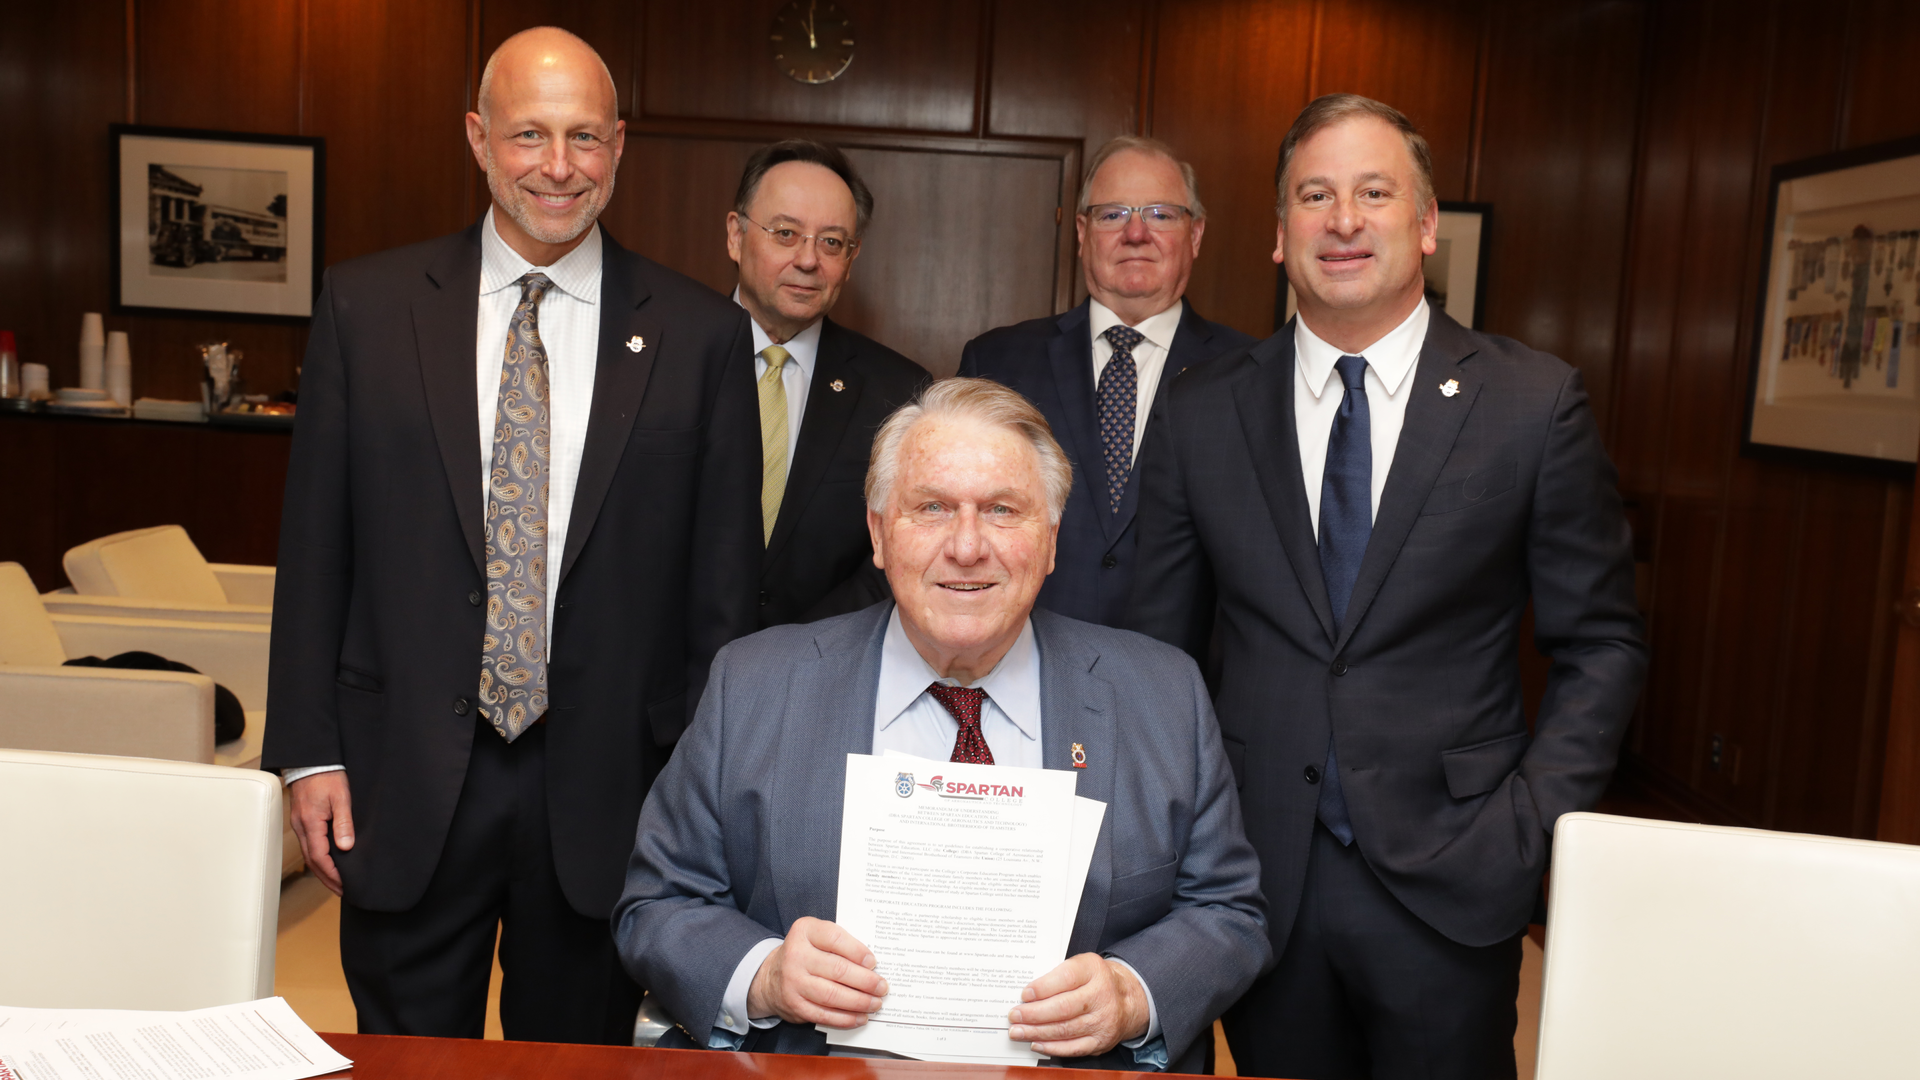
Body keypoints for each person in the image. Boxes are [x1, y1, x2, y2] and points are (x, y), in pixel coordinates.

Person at [1127, 94, 1647, 1079]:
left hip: (1459, 877)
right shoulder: (1202, 414)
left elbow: (1603, 645)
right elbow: (1163, 656)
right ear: (1280, 236)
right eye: (1314, 195)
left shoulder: (1532, 405)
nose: (1344, 219)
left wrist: (1529, 827)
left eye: (1374, 192)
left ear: (1425, 223)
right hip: (1258, 877)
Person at [263, 27, 759, 1043]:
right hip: (402, 771)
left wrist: (700, 788)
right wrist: (306, 752)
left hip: (613, 788)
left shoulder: (703, 336)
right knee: (404, 1059)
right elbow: (317, 549)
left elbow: (722, 593)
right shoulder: (369, 305)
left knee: (578, 1062)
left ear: (620, 146)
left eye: (584, 136)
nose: (559, 166)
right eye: (530, 134)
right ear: (478, 139)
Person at [613, 378, 1269, 1073]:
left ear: (1050, 540)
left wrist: (1133, 994)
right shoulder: (756, 685)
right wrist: (766, 975)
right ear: (878, 533)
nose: (966, 545)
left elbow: (1228, 911)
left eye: (1002, 510)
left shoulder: (1161, 694)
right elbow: (658, 903)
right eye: (931, 508)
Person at [958, 136, 1254, 627]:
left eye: (1161, 214)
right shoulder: (998, 361)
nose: (1136, 233)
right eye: (1112, 214)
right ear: (1081, 231)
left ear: (1196, 234)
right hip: (1018, 667)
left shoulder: (1250, 373)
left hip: (1178, 679)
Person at [727, 140, 931, 628]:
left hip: (821, 670)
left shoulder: (898, 392)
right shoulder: (670, 357)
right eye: (785, 233)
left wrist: (801, 651)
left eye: (832, 242)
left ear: (851, 257)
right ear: (736, 236)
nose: (808, 259)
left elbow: (899, 551)